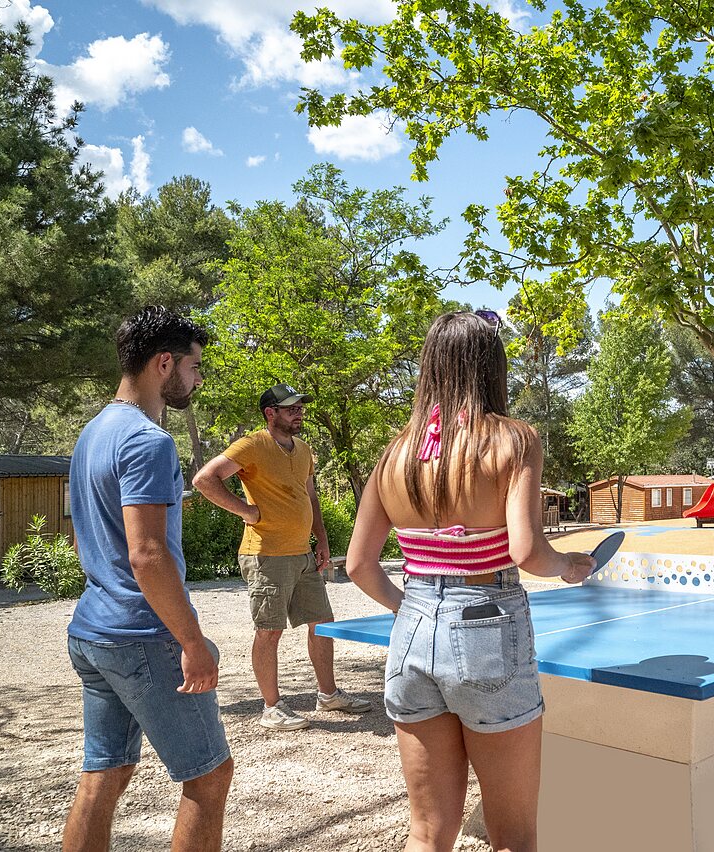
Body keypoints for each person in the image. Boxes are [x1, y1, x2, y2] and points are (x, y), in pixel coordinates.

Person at [343, 310, 594, 852]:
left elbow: (359, 565)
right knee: (513, 836)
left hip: (411, 630)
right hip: (488, 629)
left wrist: (410, 610)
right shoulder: (513, 441)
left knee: (429, 833)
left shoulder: (395, 453)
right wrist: (568, 566)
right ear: (492, 368)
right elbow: (527, 551)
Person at [64, 307, 233, 852]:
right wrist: (190, 641)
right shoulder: (147, 441)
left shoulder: (93, 432)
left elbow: (84, 538)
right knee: (208, 777)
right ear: (165, 363)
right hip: (142, 636)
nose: (199, 376)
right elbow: (148, 554)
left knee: (104, 775)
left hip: (92, 633)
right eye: (194, 365)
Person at [192, 384, 373, 730]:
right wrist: (246, 511)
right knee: (270, 631)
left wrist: (321, 539)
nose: (298, 413)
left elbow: (311, 498)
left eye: (300, 408)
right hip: (266, 556)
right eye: (291, 408)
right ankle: (272, 708)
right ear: (270, 413)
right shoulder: (252, 445)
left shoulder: (303, 449)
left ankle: (328, 694)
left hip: (302, 552)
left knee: (323, 624)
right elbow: (204, 479)